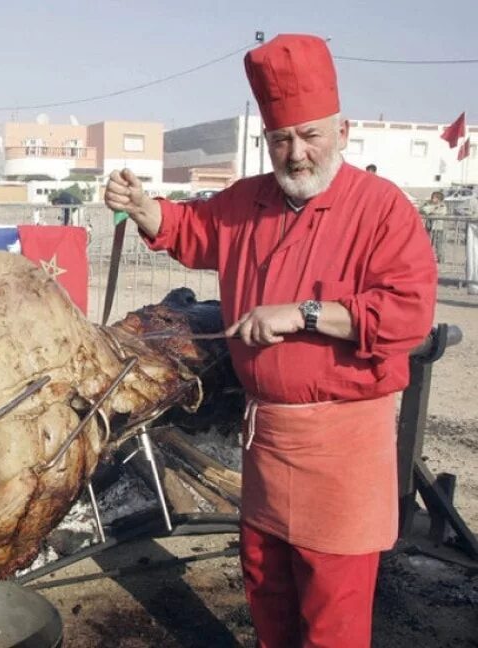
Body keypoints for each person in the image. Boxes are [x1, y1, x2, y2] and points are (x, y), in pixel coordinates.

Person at [105, 34, 436, 648]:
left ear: (342, 129)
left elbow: (407, 315)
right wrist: (144, 207)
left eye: (310, 135)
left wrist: (303, 314)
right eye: (282, 139)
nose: (297, 153)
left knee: (331, 615)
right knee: (267, 591)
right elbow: (191, 229)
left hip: (342, 447)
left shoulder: (382, 209)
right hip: (268, 441)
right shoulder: (247, 200)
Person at [419, 191, 448, 262]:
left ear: (439, 199)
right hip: (429, 227)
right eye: (433, 197)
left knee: (439, 244)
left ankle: (440, 259)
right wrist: (434, 208)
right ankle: (427, 258)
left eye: (435, 197)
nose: (433, 199)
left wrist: (431, 211)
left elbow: (442, 212)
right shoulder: (427, 203)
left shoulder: (442, 205)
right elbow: (423, 210)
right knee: (427, 243)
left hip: (438, 227)